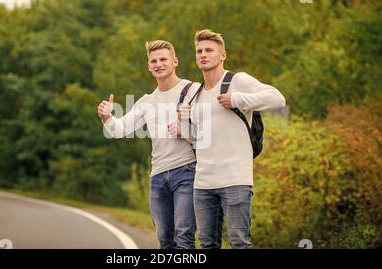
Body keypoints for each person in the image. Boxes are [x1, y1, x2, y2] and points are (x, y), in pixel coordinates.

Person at [178, 29, 286, 249]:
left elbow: (278, 99)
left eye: (209, 50)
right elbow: (195, 139)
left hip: (235, 179)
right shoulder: (195, 93)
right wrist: (183, 122)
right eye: (199, 51)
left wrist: (237, 99)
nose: (203, 55)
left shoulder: (237, 81)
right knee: (207, 244)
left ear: (223, 55)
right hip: (203, 182)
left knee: (239, 243)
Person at [97, 40, 200, 249]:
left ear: (175, 62)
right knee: (164, 238)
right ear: (148, 66)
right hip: (158, 176)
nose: (158, 64)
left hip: (187, 171)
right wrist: (107, 118)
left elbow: (210, 131)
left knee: (184, 236)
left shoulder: (192, 91)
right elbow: (120, 129)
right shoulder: (147, 101)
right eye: (154, 61)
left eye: (163, 59)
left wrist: (186, 130)